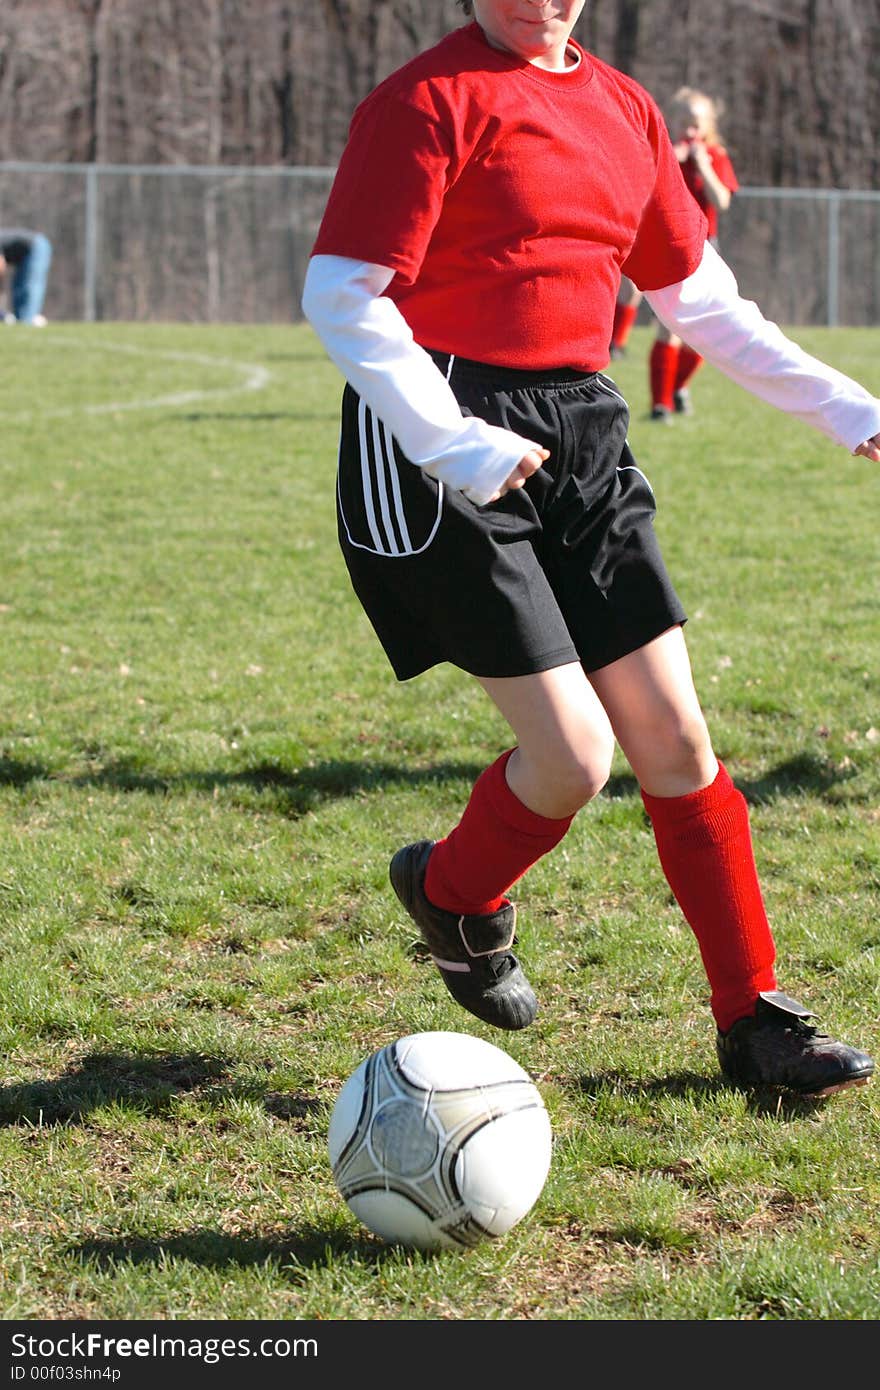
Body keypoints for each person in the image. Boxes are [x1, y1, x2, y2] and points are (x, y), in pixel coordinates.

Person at [302, 0, 879, 1098]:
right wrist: (455, 440)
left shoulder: (625, 108)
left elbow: (700, 303)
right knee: (572, 758)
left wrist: (852, 408)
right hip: (438, 428)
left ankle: (754, 1020)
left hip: (581, 426)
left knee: (673, 734)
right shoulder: (424, 101)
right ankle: (454, 896)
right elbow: (343, 295)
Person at [609, 88, 739, 421]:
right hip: (669, 247)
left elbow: (721, 200)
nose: (689, 131)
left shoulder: (715, 156)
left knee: (706, 335)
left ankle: (677, 387)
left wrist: (703, 165)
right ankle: (660, 405)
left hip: (706, 248)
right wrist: (667, 162)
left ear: (708, 126)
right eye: (682, 122)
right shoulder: (664, 154)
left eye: (696, 124)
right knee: (669, 327)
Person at [0, 228, 52, 326]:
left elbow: (0, 265)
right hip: (27, 254)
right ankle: (23, 319)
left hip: (36, 247)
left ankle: (29, 319)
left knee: (29, 287)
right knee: (18, 288)